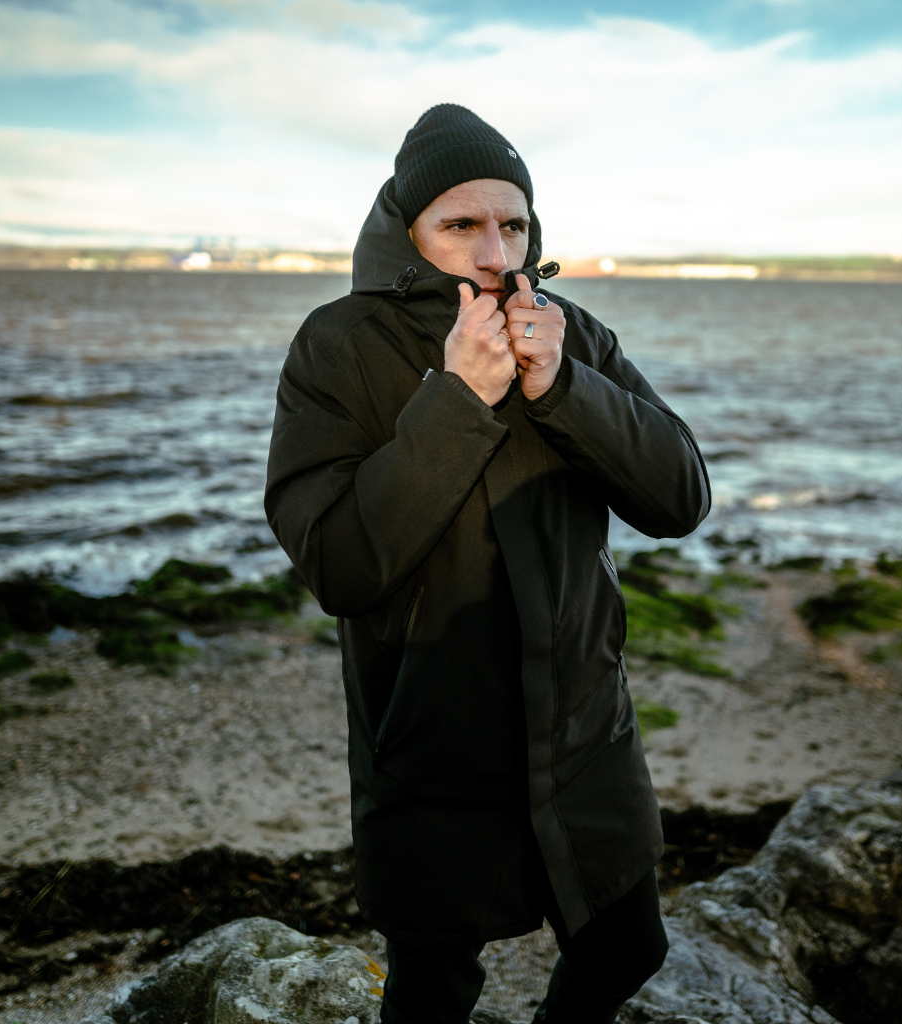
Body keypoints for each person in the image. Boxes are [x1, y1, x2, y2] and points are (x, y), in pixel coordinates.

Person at [265, 104, 711, 1024]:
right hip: (429, 738)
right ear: (408, 230)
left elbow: (680, 498)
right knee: (432, 993)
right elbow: (339, 564)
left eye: (513, 224)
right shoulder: (339, 343)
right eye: (461, 224)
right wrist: (459, 395)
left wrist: (566, 386)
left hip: (584, 723)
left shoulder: (573, 332)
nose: (495, 252)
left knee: (628, 948)